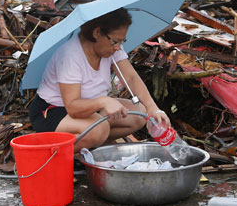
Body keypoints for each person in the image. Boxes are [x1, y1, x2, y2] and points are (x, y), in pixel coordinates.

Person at [28, 8, 170, 153]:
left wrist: (153, 108)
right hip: (54, 112)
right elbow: (72, 107)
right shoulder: (70, 56)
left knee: (139, 114)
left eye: (121, 42)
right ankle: (51, 154)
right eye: (115, 41)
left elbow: (131, 77)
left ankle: (90, 145)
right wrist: (104, 101)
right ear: (97, 33)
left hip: (90, 108)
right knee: (98, 130)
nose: (118, 47)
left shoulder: (111, 48)